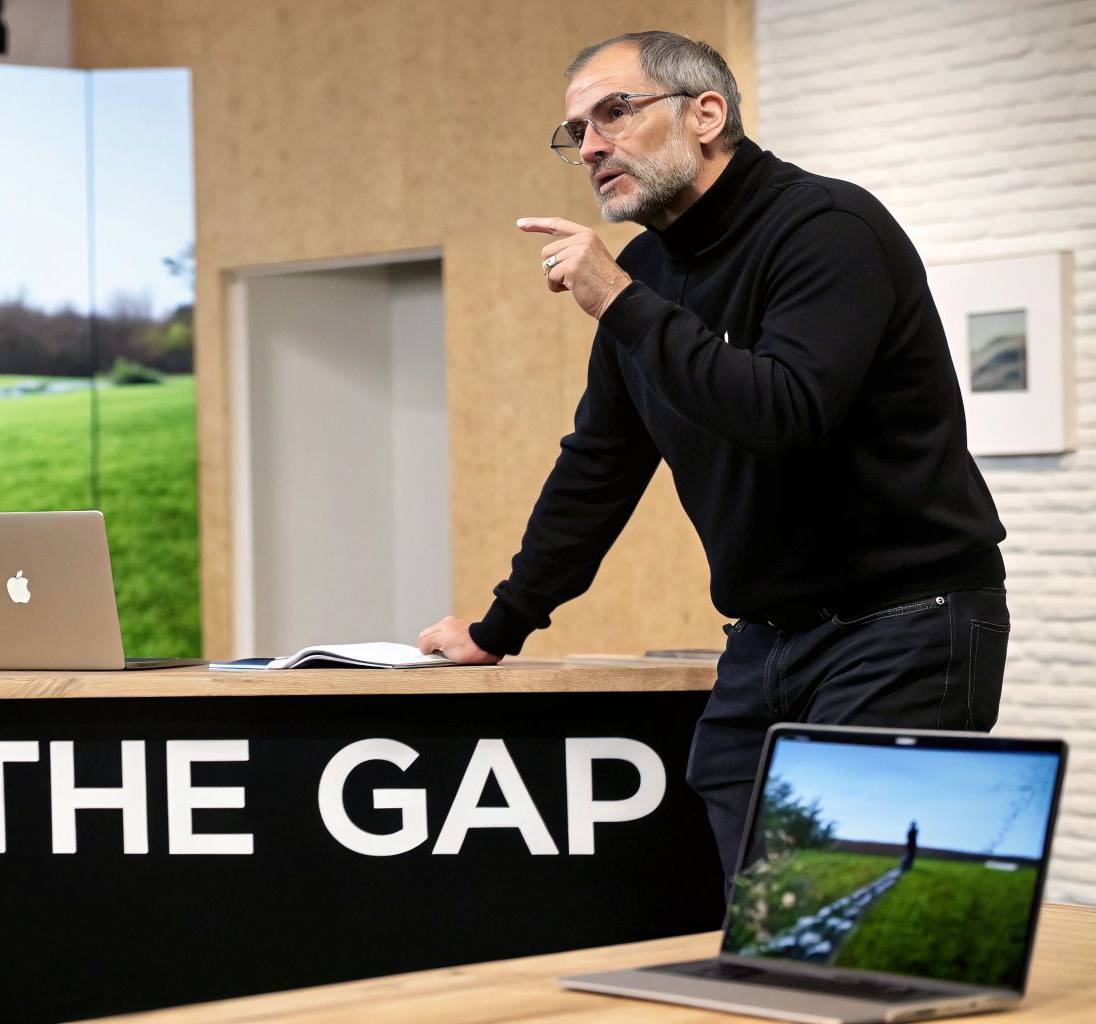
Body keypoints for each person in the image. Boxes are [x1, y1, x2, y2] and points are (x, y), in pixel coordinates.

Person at [416, 31, 1008, 882]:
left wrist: (620, 301)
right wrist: (501, 624)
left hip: (904, 624)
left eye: (613, 113)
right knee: (759, 912)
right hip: (765, 642)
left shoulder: (827, 230)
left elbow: (787, 412)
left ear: (706, 114)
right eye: (576, 129)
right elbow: (600, 465)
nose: (588, 146)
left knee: (837, 915)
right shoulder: (649, 268)